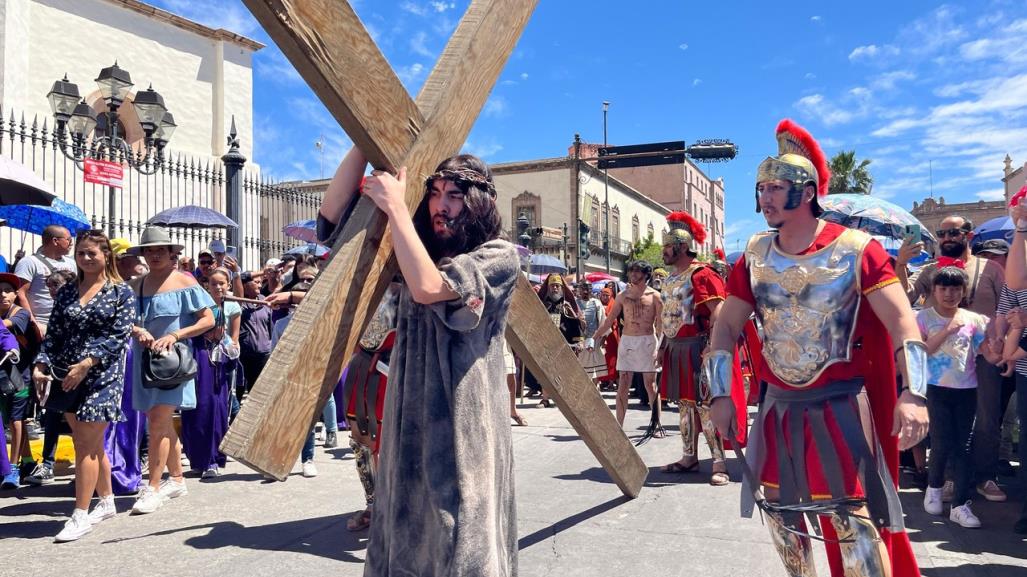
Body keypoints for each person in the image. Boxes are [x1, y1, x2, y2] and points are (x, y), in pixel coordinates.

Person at [705, 119, 928, 577]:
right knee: (785, 520)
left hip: (841, 407)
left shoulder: (857, 249)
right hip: (779, 407)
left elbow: (902, 322)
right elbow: (725, 326)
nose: (764, 197)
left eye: (775, 187)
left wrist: (914, 393)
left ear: (806, 192)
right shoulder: (754, 255)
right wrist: (720, 393)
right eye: (761, 187)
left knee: (852, 523)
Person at [323, 148, 519, 575]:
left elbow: (431, 288)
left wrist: (396, 206)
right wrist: (366, 142)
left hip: (464, 423)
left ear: (479, 202)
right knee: (405, 530)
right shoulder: (412, 244)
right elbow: (332, 215)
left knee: (459, 533)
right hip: (406, 417)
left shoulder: (500, 256)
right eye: (433, 193)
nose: (441, 205)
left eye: (454, 195)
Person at [32, 229, 135, 541]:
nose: (87, 258)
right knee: (87, 441)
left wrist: (88, 362)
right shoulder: (66, 292)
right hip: (68, 374)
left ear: (106, 256)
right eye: (81, 253)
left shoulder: (121, 293)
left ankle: (79, 515)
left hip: (103, 374)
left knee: (85, 444)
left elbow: (118, 336)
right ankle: (105, 501)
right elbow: (55, 332)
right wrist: (41, 362)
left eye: (92, 253)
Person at [897, 214, 1007, 502]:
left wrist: (1003, 340)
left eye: (953, 232)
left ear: (967, 235)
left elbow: (1006, 305)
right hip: (943, 360)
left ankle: (985, 477)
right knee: (942, 422)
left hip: (983, 352)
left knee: (986, 418)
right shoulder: (930, 269)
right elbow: (905, 298)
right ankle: (945, 479)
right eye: (941, 233)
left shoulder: (990, 268)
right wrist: (900, 263)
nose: (946, 238)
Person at [126, 226, 215, 515]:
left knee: (158, 422)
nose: (154, 255)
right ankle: (176, 479)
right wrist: (137, 329)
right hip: (144, 362)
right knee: (158, 420)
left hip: (173, 363)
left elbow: (208, 319)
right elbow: (123, 320)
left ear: (171, 253)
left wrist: (176, 335)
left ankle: (152, 488)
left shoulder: (184, 282)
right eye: (150, 250)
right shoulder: (135, 285)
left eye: (160, 250)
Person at [656, 211, 741, 485]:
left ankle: (718, 462)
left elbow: (719, 312)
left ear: (681, 247)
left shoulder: (702, 274)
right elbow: (669, 316)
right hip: (676, 347)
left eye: (668, 246)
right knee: (684, 405)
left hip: (699, 348)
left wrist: (713, 348)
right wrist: (662, 346)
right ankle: (689, 456)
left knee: (706, 406)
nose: (664, 251)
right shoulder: (669, 279)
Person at [917, 266, 992, 528]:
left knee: (963, 447)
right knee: (940, 443)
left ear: (963, 291)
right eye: (944, 288)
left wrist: (1002, 352)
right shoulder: (923, 318)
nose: (949, 294)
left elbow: (985, 351)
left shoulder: (974, 319)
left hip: (967, 389)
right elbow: (923, 350)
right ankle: (934, 487)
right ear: (934, 290)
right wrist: (948, 329)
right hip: (936, 388)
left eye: (955, 289)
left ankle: (960, 505)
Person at [339, 282, 399, 530]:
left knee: (399, 442)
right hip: (364, 366)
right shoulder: (365, 276)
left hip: (400, 368)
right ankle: (374, 504)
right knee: (362, 440)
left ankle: (399, 506)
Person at [180, 268, 240, 479]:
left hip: (215, 361)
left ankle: (212, 459)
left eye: (221, 283)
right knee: (193, 409)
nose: (217, 287)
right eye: (213, 283)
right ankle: (197, 458)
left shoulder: (230, 306)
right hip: (195, 356)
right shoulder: (196, 304)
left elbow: (233, 339)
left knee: (214, 409)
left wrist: (227, 347)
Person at [591, 261, 663, 431]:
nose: (633, 274)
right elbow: (609, 320)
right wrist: (595, 336)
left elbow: (660, 326)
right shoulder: (623, 296)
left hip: (647, 341)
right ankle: (619, 428)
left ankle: (656, 424)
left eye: (637, 272)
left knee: (650, 385)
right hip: (628, 342)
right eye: (631, 271)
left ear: (646, 274)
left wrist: (660, 348)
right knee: (623, 384)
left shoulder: (655, 296)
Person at [532, 273, 584, 408]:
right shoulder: (541, 303)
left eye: (557, 286)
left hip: (566, 342)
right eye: (552, 286)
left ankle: (566, 398)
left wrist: (572, 313)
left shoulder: (568, 303)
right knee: (546, 371)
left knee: (566, 371)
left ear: (561, 288)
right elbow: (534, 322)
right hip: (547, 342)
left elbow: (578, 324)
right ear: (548, 287)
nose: (555, 288)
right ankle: (545, 398)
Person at [14, 225, 76, 334]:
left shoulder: (71, 263)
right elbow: (20, 293)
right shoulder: (29, 262)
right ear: (55, 241)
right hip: (41, 323)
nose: (71, 243)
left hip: (67, 322)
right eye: (68, 239)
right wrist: (33, 323)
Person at [237, 271, 273, 403]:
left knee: (258, 389)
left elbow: (270, 326)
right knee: (240, 387)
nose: (259, 285)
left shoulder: (265, 301)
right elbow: (240, 278)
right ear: (245, 286)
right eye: (256, 282)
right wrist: (263, 271)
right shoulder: (239, 301)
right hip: (245, 354)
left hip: (263, 353)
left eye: (260, 282)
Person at [575, 281, 608, 385]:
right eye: (583, 288)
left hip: (594, 339)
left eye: (588, 289)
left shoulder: (596, 303)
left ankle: (595, 390)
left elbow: (603, 321)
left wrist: (603, 338)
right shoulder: (575, 303)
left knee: (594, 367)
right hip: (579, 339)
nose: (585, 291)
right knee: (580, 366)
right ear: (579, 289)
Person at [598, 283, 619, 391]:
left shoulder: (614, 305)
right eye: (603, 295)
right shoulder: (597, 305)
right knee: (602, 359)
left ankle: (611, 381)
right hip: (600, 334)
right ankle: (602, 381)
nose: (605, 297)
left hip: (611, 337)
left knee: (612, 360)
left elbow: (614, 321)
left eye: (607, 295)